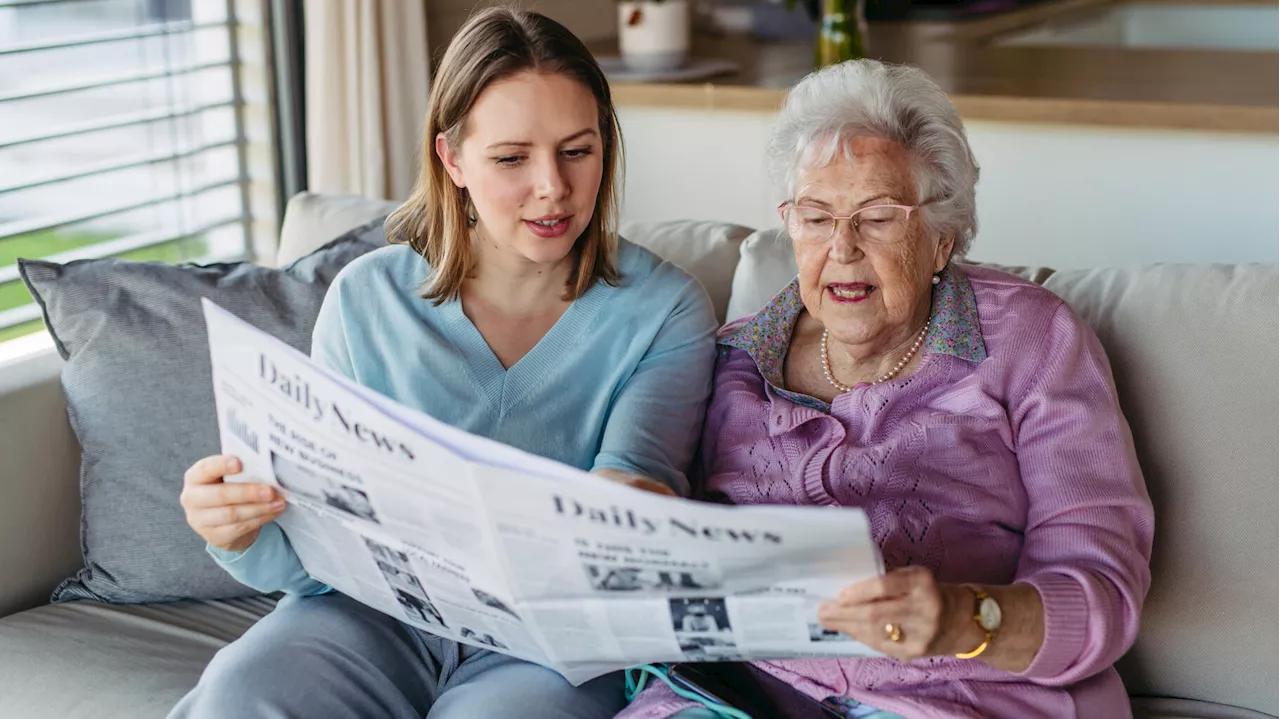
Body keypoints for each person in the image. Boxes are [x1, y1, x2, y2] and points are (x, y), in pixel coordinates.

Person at [172, 9, 717, 719]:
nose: (552, 186)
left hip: (546, 640)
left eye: (577, 151)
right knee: (239, 690)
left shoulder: (665, 310)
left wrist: (632, 511)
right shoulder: (367, 299)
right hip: (370, 616)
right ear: (453, 160)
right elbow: (314, 556)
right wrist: (237, 529)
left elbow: (635, 489)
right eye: (512, 158)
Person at [621, 59, 1154, 719]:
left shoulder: (1031, 339)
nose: (841, 248)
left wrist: (963, 617)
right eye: (815, 217)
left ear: (941, 239)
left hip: (957, 698)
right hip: (742, 695)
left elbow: (1101, 590)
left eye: (876, 218)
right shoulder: (730, 359)